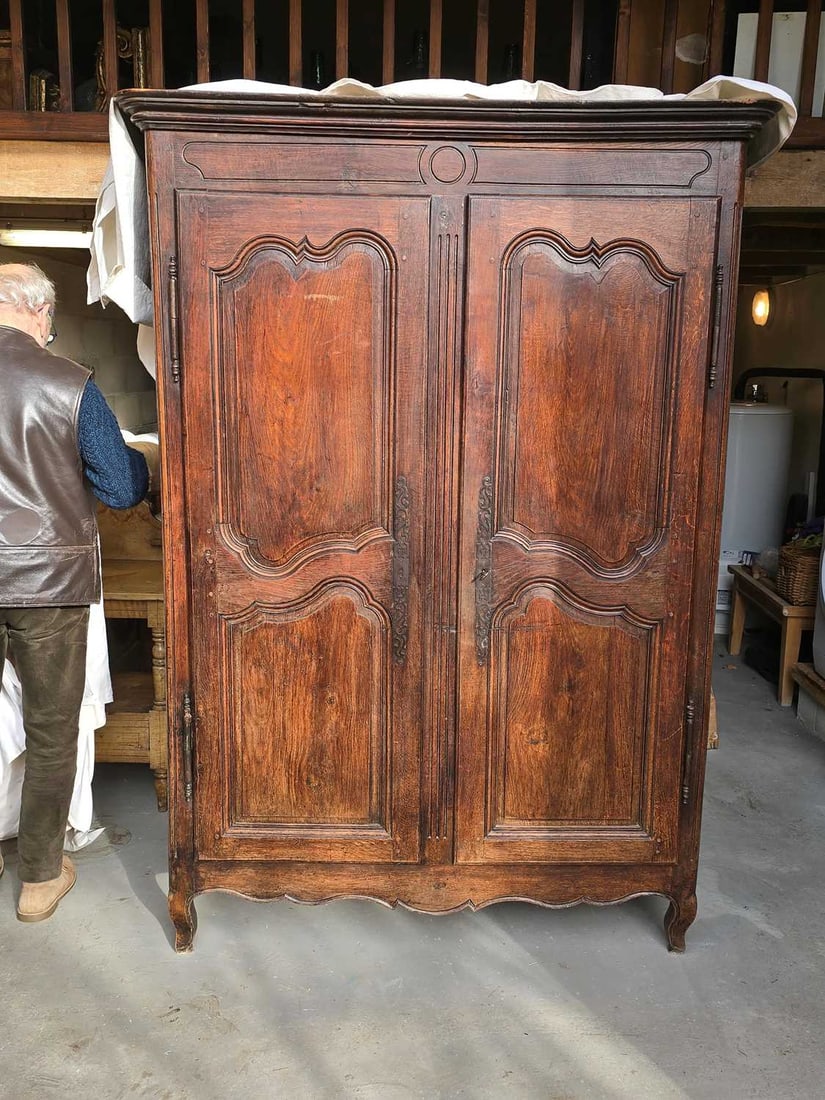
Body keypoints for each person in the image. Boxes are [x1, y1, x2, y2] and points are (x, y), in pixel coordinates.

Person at [0, 261, 155, 922]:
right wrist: (143, 462)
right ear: (40, 313)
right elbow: (119, 488)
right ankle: (39, 878)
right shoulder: (68, 383)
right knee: (51, 729)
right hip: (48, 583)